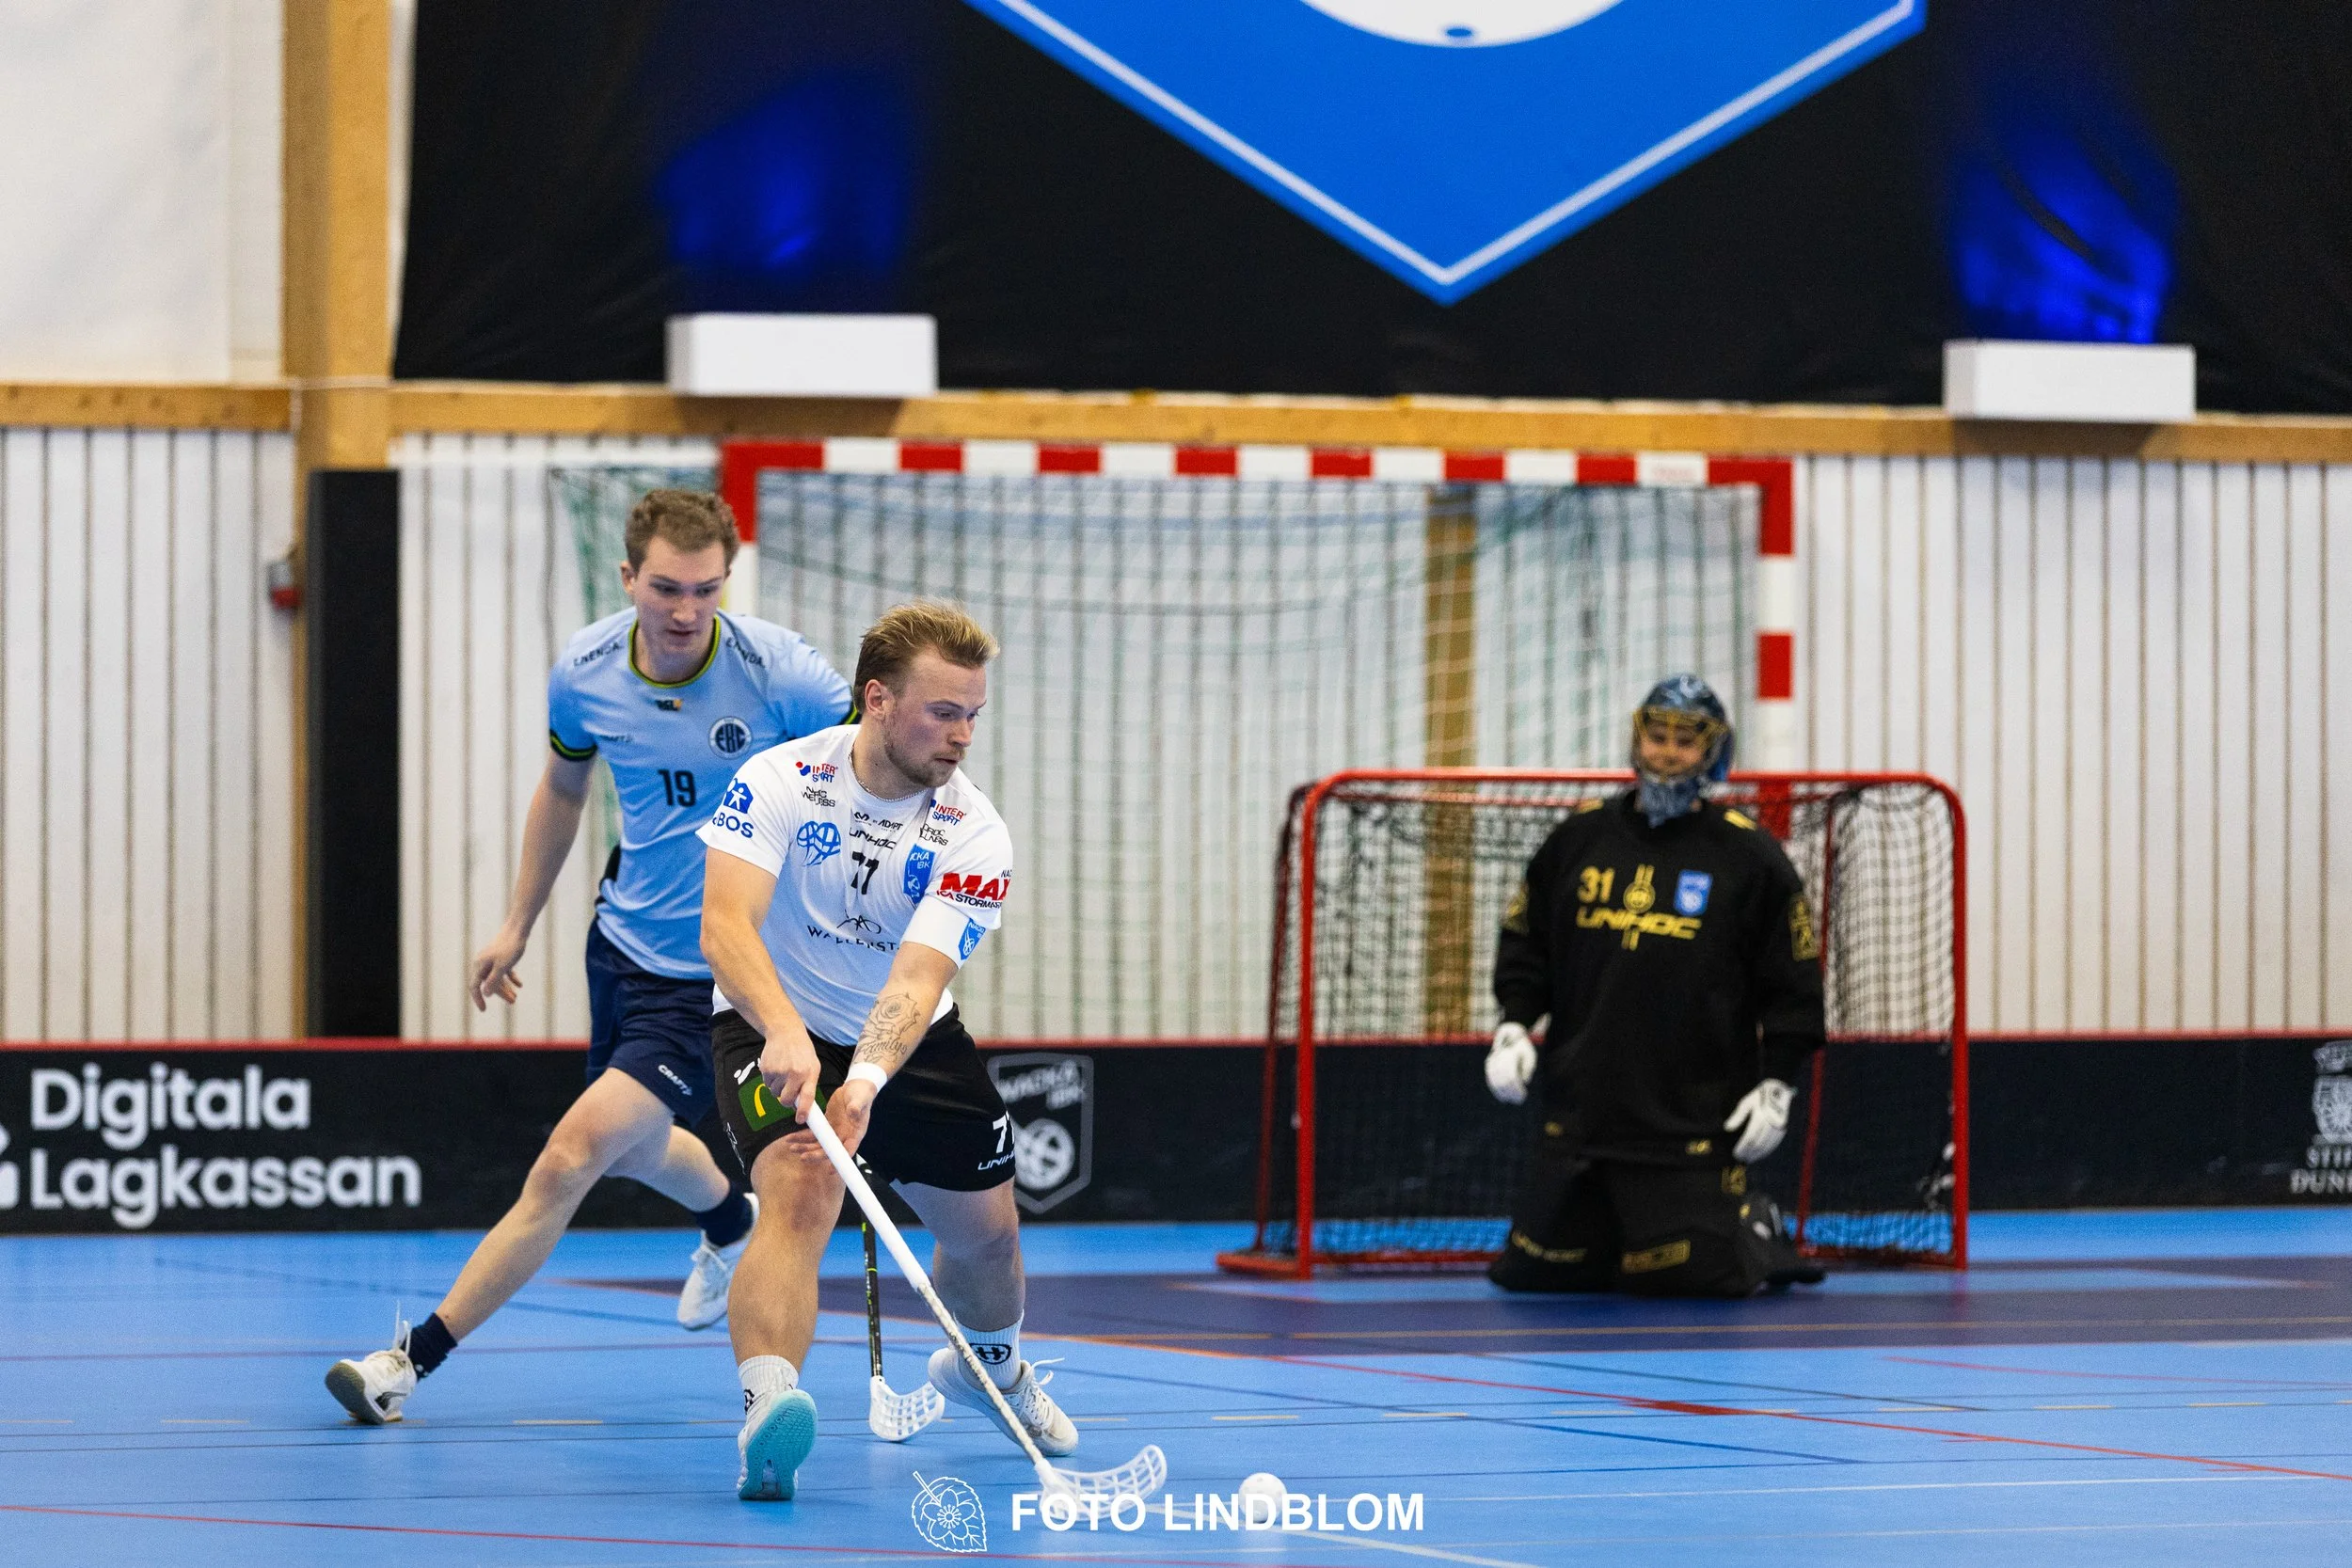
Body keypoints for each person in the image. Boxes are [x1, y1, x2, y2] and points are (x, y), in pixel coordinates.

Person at [326, 489, 850, 1425]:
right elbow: (565, 790)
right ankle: (728, 1219)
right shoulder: (586, 670)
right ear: (627, 577)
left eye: (706, 590)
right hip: (621, 944)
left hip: (713, 979)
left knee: (570, 1156)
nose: (686, 610)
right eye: (666, 588)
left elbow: (870, 781)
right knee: (635, 1145)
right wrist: (516, 923)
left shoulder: (784, 675)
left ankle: (404, 1363)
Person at [697, 600, 1074, 1502]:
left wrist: (863, 1080)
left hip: (908, 1039)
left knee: (989, 1240)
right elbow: (724, 927)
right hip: (769, 1015)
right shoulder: (780, 778)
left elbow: (915, 978)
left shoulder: (975, 830)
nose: (963, 734)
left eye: (974, 713)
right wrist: (783, 1028)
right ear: (877, 698)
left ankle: (991, 1368)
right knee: (800, 1186)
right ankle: (768, 1409)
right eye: (944, 711)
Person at [1483, 674, 1827, 1298]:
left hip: (1688, 1121)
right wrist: (1513, 1023)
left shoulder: (1748, 855)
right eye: (1657, 736)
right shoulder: (1579, 837)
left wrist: (1777, 1083)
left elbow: (1794, 978)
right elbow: (1528, 939)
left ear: (1713, 752)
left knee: (1691, 1275)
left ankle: (1754, 1222)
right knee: (1536, 1272)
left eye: (1685, 742)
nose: (1667, 753)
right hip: (1583, 1116)